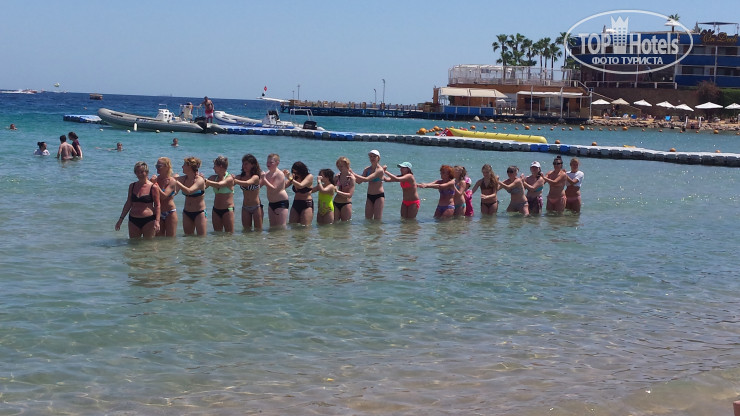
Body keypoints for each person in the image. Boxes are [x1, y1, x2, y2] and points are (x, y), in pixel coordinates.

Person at [115, 161, 161, 238]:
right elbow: (128, 203)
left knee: (149, 244)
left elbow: (157, 205)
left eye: (142, 172)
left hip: (149, 220)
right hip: (133, 220)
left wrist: (157, 221)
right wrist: (121, 219)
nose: (139, 174)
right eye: (137, 172)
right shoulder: (132, 186)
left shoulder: (153, 187)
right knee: (133, 243)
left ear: (147, 172)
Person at [174, 156, 207, 236]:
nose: (182, 167)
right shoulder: (183, 179)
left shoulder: (199, 180)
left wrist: (176, 181)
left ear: (189, 167)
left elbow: (189, 191)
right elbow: (174, 193)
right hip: (187, 212)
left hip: (199, 212)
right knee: (188, 238)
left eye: (184, 165)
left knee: (201, 238)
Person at [204, 155, 235, 233]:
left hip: (227, 210)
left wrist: (206, 181)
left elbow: (219, 185)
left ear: (220, 166)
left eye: (215, 166)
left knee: (229, 235)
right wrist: (199, 178)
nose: (213, 168)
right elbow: (203, 187)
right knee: (217, 235)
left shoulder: (229, 178)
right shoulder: (213, 178)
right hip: (216, 210)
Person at [233, 154, 263, 231]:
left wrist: (235, 180)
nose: (244, 166)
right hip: (245, 207)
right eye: (243, 164)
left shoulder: (255, 177)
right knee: (246, 231)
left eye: (246, 164)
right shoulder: (240, 177)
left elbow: (247, 183)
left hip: (256, 207)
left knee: (258, 231)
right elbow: (229, 183)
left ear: (252, 165)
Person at [352, 149, 385, 220]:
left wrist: (353, 173)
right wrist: (350, 176)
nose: (372, 158)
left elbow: (367, 179)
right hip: (369, 196)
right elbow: (359, 181)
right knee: (367, 219)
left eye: (374, 156)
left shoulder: (380, 170)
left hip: (379, 196)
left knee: (377, 220)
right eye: (370, 156)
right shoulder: (367, 169)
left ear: (378, 158)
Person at [151, 157, 179, 237]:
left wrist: (155, 184)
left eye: (159, 166)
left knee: (171, 239)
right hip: (158, 213)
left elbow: (164, 196)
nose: (157, 168)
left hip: (170, 212)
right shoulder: (155, 179)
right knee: (159, 239)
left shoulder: (172, 181)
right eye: (156, 166)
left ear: (167, 167)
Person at [260, 153, 289, 228]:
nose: (268, 164)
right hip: (271, 203)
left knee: (281, 227)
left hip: (281, 203)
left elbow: (274, 188)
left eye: (271, 162)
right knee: (272, 228)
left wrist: (264, 179)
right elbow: (258, 186)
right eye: (267, 162)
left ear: (277, 163)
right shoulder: (266, 174)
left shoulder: (279, 174)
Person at [284, 161, 314, 226]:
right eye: (293, 172)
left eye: (297, 172)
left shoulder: (309, 176)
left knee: (305, 227)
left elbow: (300, 185)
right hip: (296, 203)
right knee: (292, 225)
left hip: (306, 203)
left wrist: (290, 178)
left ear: (302, 171)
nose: (295, 174)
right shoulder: (294, 177)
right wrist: (281, 175)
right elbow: (284, 186)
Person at [333, 156, 355, 222]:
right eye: (338, 166)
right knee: (334, 224)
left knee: (345, 225)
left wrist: (337, 191)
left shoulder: (351, 178)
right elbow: (331, 187)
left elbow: (350, 195)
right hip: (336, 202)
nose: (340, 168)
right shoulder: (337, 176)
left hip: (346, 203)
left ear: (347, 165)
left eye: (341, 166)